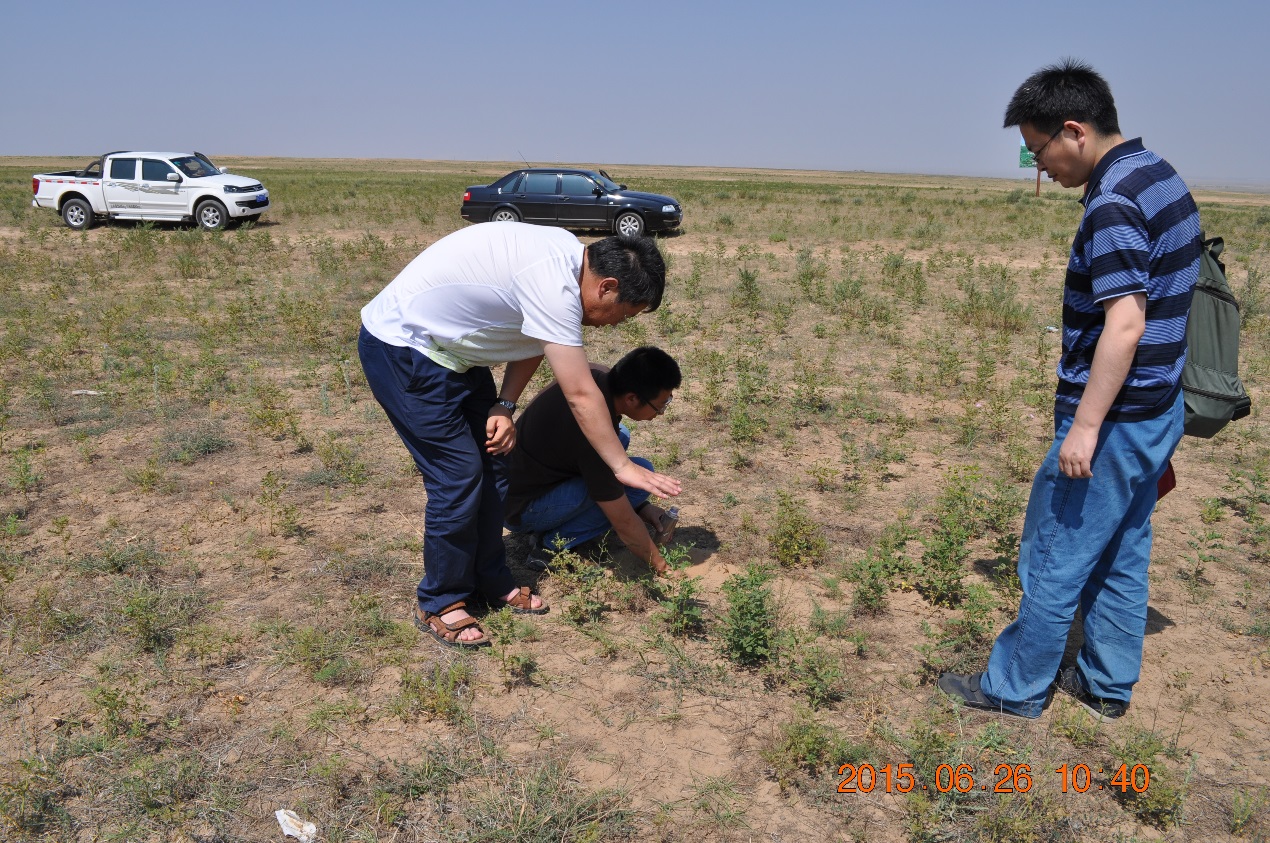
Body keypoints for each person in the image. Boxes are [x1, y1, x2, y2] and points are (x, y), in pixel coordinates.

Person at [938, 59, 1200, 718]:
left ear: (1074, 131)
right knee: (1122, 549)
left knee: (1055, 555)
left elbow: (1126, 322)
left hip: (1114, 421)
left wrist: (1085, 426)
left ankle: (1013, 689)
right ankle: (1107, 685)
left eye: (1038, 150)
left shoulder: (1112, 202)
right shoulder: (1159, 175)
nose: (1038, 167)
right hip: (1157, 409)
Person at [358, 222, 681, 647]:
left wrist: (505, 405)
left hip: (459, 358)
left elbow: (533, 339)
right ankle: (441, 599)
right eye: (626, 313)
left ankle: (491, 579)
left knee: (494, 464)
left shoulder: (569, 261)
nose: (616, 325)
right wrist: (621, 466)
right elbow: (582, 394)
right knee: (458, 477)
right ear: (607, 286)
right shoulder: (553, 284)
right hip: (406, 350)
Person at [505, 346, 683, 576]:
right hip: (521, 509)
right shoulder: (591, 439)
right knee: (632, 486)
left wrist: (642, 508)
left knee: (622, 436)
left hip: (515, 482)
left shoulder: (592, 377)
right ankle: (549, 547)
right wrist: (662, 566)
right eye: (659, 406)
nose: (661, 412)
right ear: (631, 398)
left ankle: (556, 519)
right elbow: (624, 523)